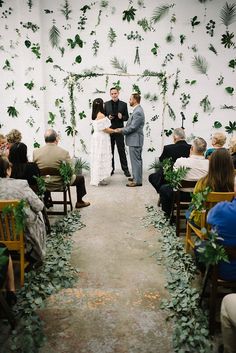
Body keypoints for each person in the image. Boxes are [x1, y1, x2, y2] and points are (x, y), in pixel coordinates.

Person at [0, 157, 46, 262]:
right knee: (37, 214)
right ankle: (34, 253)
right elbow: (39, 206)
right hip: (18, 234)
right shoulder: (20, 185)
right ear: (7, 170)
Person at [33, 129, 90, 208]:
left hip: (43, 184)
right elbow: (71, 171)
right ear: (56, 139)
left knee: (45, 177)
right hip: (59, 183)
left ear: (45, 139)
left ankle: (46, 201)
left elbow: (34, 169)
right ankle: (79, 202)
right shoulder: (64, 152)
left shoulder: (36, 152)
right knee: (80, 179)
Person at [159, 137, 209, 217]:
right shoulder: (209, 164)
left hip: (183, 196)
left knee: (164, 188)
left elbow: (174, 181)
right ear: (204, 150)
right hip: (201, 196)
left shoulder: (181, 161)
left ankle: (168, 214)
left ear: (192, 148)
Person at [189, 148, 235, 227]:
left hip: (206, 223)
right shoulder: (234, 181)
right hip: (230, 222)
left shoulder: (203, 182)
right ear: (230, 163)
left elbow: (195, 204)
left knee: (189, 214)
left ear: (212, 163)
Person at [114, 93, 145, 187]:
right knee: (136, 160)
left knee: (136, 160)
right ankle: (136, 177)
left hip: (135, 140)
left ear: (135, 100)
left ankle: (137, 181)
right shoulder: (137, 110)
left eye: (130, 99)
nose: (129, 100)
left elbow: (133, 127)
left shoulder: (138, 111)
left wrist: (121, 130)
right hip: (134, 140)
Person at [149, 127, 191, 194]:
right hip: (188, 175)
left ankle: (164, 193)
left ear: (174, 137)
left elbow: (161, 160)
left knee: (152, 177)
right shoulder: (191, 148)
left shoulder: (168, 148)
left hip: (171, 178)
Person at [104, 87, 131, 177]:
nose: (114, 95)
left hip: (119, 131)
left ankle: (125, 169)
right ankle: (111, 169)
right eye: (112, 94)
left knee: (121, 150)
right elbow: (103, 117)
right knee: (110, 151)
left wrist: (121, 117)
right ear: (110, 94)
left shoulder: (124, 104)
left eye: (115, 93)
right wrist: (108, 117)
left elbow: (126, 117)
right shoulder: (106, 104)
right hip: (110, 130)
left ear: (118, 93)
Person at [90, 98, 114, 186]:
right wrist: (115, 131)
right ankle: (101, 178)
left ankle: (98, 177)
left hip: (96, 137)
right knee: (101, 156)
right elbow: (105, 129)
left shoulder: (94, 114)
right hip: (101, 138)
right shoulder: (101, 115)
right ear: (101, 105)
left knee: (97, 157)